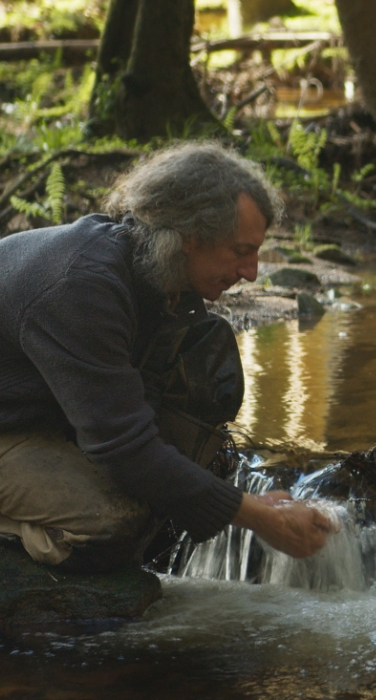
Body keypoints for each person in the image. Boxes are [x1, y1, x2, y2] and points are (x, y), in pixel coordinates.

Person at [0, 143, 333, 572]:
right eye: (240, 250)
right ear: (190, 237)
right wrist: (257, 514)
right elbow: (124, 450)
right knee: (115, 521)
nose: (252, 271)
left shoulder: (151, 274)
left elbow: (136, 421)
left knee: (158, 495)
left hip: (24, 416)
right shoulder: (83, 288)